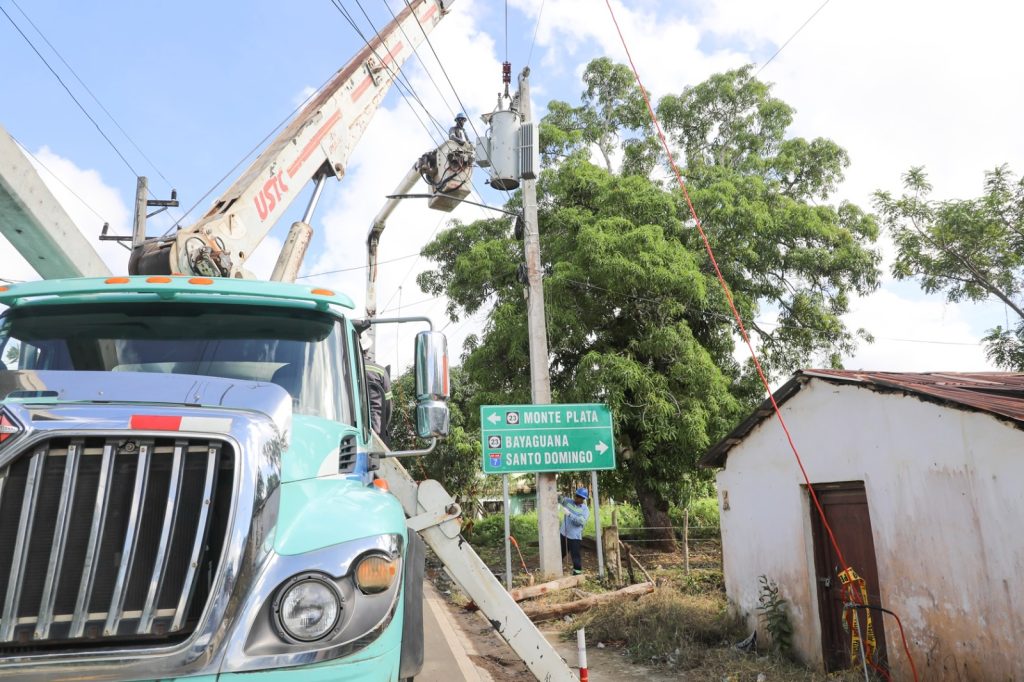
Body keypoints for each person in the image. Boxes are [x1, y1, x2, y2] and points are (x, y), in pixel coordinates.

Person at [559, 487, 590, 575]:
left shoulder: (585, 510)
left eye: (579, 497)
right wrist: (558, 495)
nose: (576, 498)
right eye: (576, 496)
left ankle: (577, 575)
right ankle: (555, 572)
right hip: (563, 534)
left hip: (574, 537)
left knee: (575, 557)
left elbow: (580, 522)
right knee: (559, 554)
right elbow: (559, 499)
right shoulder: (568, 502)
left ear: (583, 499)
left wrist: (569, 514)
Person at [364, 356, 392, 447]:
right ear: (367, 350)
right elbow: (388, 405)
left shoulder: (344, 367)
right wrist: (384, 426)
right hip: (377, 431)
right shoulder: (380, 371)